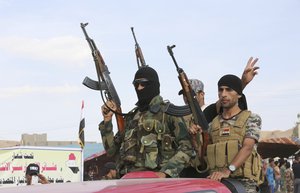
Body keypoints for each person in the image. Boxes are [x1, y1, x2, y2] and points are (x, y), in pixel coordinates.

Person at [99, 66, 193, 178]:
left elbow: (187, 148)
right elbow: (111, 151)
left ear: (153, 85)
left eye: (143, 84)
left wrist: (165, 173)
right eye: (136, 84)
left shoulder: (168, 113)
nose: (139, 88)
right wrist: (107, 121)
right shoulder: (131, 117)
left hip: (158, 182)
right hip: (129, 180)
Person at [190, 74, 262, 192]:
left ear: (239, 94)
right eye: (220, 90)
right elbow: (203, 159)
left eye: (228, 90)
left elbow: (247, 147)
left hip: (244, 185)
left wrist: (228, 170)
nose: (223, 94)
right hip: (217, 184)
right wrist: (194, 140)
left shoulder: (252, 119)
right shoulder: (212, 124)